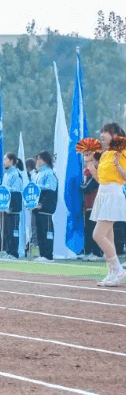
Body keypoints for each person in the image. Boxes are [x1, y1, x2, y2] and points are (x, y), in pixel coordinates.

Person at [84, 123, 126, 287]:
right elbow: (101, 180)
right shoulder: (106, 153)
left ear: (114, 134)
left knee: (98, 235)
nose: (102, 135)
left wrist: (117, 164)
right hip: (103, 193)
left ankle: (118, 268)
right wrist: (90, 165)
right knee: (108, 236)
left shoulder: (121, 149)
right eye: (101, 133)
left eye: (105, 133)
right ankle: (112, 272)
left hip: (114, 193)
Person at [33, 151, 58, 262]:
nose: (37, 162)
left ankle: (48, 255)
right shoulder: (38, 174)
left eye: (38, 159)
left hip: (45, 208)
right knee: (40, 232)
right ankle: (42, 253)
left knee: (47, 231)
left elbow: (50, 192)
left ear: (44, 160)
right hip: (36, 207)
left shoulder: (49, 173)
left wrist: (42, 204)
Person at [2, 153, 24, 260]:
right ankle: (8, 251)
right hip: (5, 207)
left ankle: (14, 253)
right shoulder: (6, 174)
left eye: (5, 159)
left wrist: (11, 207)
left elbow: (16, 193)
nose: (4, 161)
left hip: (13, 208)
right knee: (7, 231)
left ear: (11, 161)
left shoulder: (16, 174)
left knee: (13, 230)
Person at [81, 158, 103, 261]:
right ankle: (89, 251)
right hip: (89, 206)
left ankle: (97, 252)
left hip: (96, 206)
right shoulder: (87, 173)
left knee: (95, 230)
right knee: (88, 230)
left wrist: (80, 185)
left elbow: (86, 188)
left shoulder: (97, 174)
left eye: (91, 161)